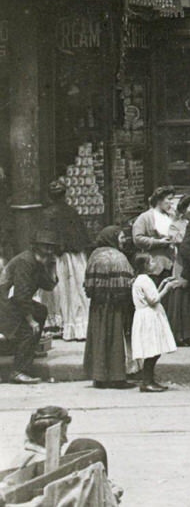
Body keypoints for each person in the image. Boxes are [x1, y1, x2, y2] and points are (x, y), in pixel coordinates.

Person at [0, 231, 60, 383]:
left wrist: (51, 267)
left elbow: (48, 285)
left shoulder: (38, 262)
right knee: (27, 330)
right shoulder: (26, 261)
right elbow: (21, 295)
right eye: (45, 246)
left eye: (51, 247)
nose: (49, 250)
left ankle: (27, 352)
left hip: (13, 302)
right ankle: (19, 370)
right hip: (5, 303)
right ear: (36, 246)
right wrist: (30, 320)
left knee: (41, 311)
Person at [83, 227, 134, 389]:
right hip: (116, 307)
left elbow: (88, 286)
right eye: (121, 237)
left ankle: (99, 377)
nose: (123, 240)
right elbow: (126, 286)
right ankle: (117, 377)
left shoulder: (95, 255)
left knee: (99, 338)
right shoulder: (119, 258)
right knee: (115, 340)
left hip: (98, 306)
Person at [38, 180, 91, 342]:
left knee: (59, 291)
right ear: (65, 194)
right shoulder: (72, 212)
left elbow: (44, 238)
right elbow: (82, 236)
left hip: (57, 257)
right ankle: (79, 326)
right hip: (75, 256)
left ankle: (58, 324)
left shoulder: (47, 213)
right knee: (77, 290)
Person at [129, 252, 180, 393]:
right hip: (149, 317)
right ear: (145, 265)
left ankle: (149, 380)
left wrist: (163, 283)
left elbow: (150, 296)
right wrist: (167, 289)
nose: (153, 264)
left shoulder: (140, 279)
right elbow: (154, 300)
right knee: (153, 350)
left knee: (153, 349)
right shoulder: (145, 280)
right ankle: (147, 381)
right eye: (151, 262)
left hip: (144, 315)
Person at [165, 195, 190, 346]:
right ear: (183, 210)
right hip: (182, 263)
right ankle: (183, 334)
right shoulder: (176, 225)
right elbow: (179, 241)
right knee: (183, 296)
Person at [8, 406, 70, 471]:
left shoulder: (21, 458)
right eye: (62, 435)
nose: (66, 440)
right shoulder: (46, 463)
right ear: (47, 435)